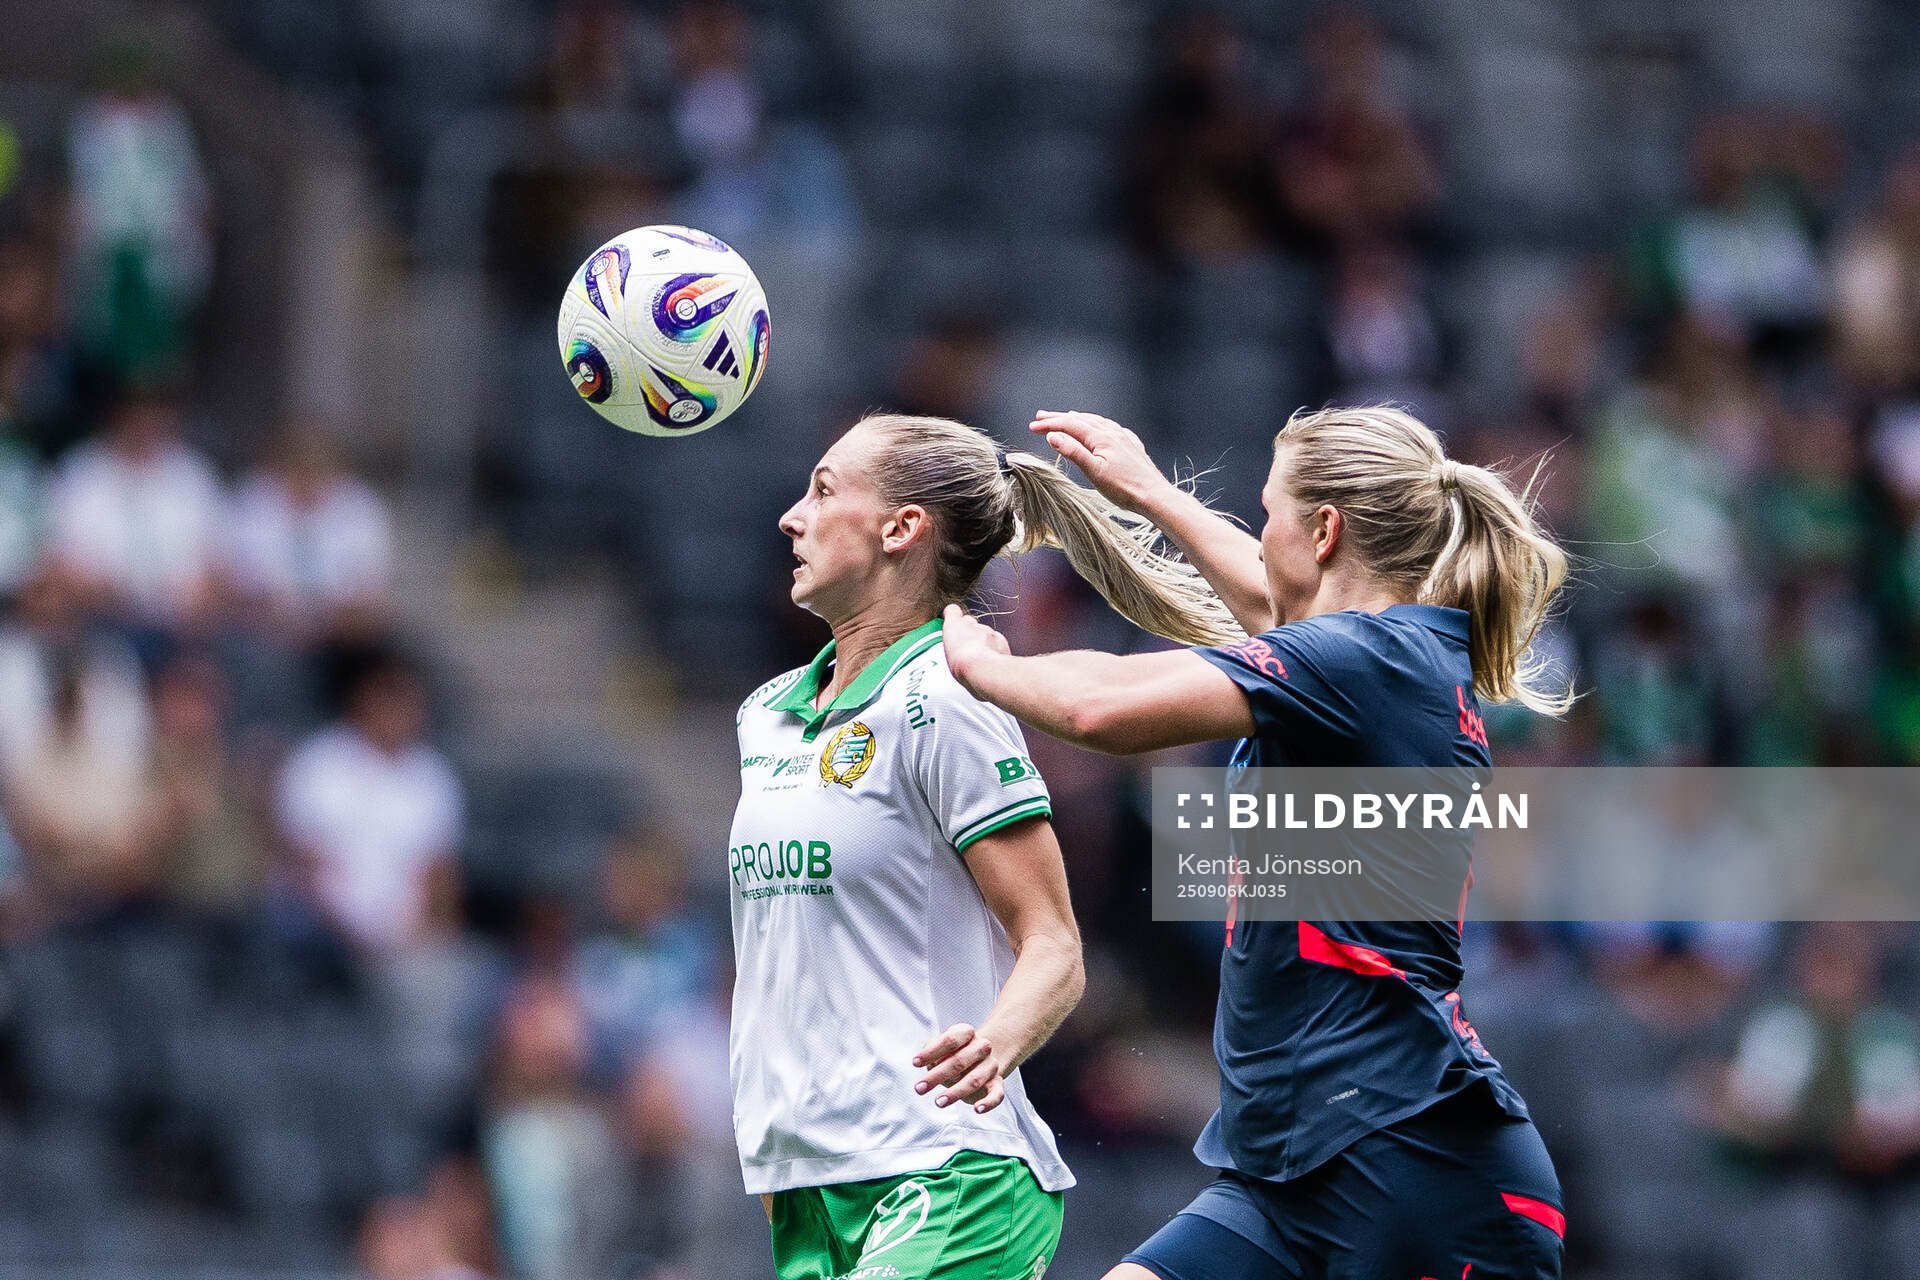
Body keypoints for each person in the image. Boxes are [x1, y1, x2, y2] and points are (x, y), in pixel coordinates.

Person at [940, 406, 1572, 1280]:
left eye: (1269, 510)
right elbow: (1270, 599)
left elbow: (1104, 708)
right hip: (1290, 1172)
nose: (1259, 530)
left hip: (1419, 1166)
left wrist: (981, 665)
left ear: (1324, 530)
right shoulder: (1371, 655)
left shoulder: (1367, 660)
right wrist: (1155, 496)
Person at [729, 411, 1238, 1280]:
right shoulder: (765, 715)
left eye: (822, 490)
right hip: (812, 1184)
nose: (792, 515)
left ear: (901, 528)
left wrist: (997, 1041)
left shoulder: (948, 699)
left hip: (947, 1178)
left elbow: (1054, 946)